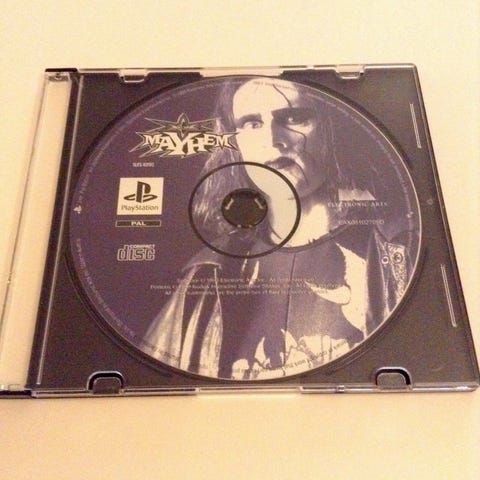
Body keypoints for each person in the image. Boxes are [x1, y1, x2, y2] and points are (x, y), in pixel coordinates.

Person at [143, 77, 416, 380]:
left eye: (294, 118)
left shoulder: (398, 246)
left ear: (332, 130)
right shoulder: (208, 272)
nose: (273, 140)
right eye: (251, 123)